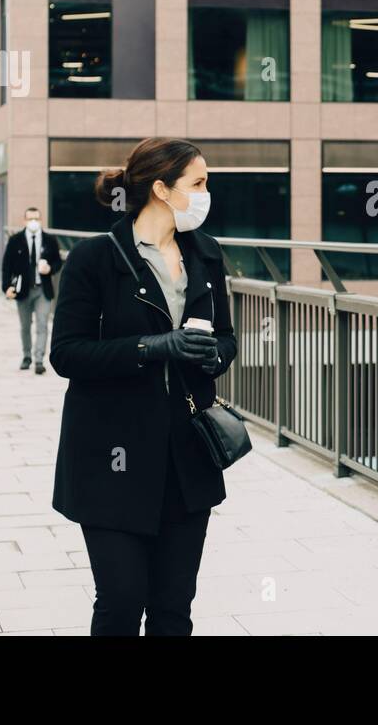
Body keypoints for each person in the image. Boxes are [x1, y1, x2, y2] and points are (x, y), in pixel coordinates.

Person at [50, 137, 237, 635]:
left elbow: (226, 336)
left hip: (187, 457)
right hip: (113, 458)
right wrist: (154, 347)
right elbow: (66, 353)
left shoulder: (207, 255)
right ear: (160, 188)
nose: (205, 193)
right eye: (198, 183)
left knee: (174, 607)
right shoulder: (95, 260)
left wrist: (215, 354)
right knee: (121, 602)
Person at [1, 207, 64, 374]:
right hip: (23, 290)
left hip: (42, 289)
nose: (33, 222)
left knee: (43, 324)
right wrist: (6, 287)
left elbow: (58, 262)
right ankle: (26, 356)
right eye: (30, 219)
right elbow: (6, 266)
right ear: (24, 221)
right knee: (25, 326)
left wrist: (50, 268)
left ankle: (38, 360)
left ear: (41, 220)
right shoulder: (15, 240)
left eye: (36, 218)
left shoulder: (50, 240)